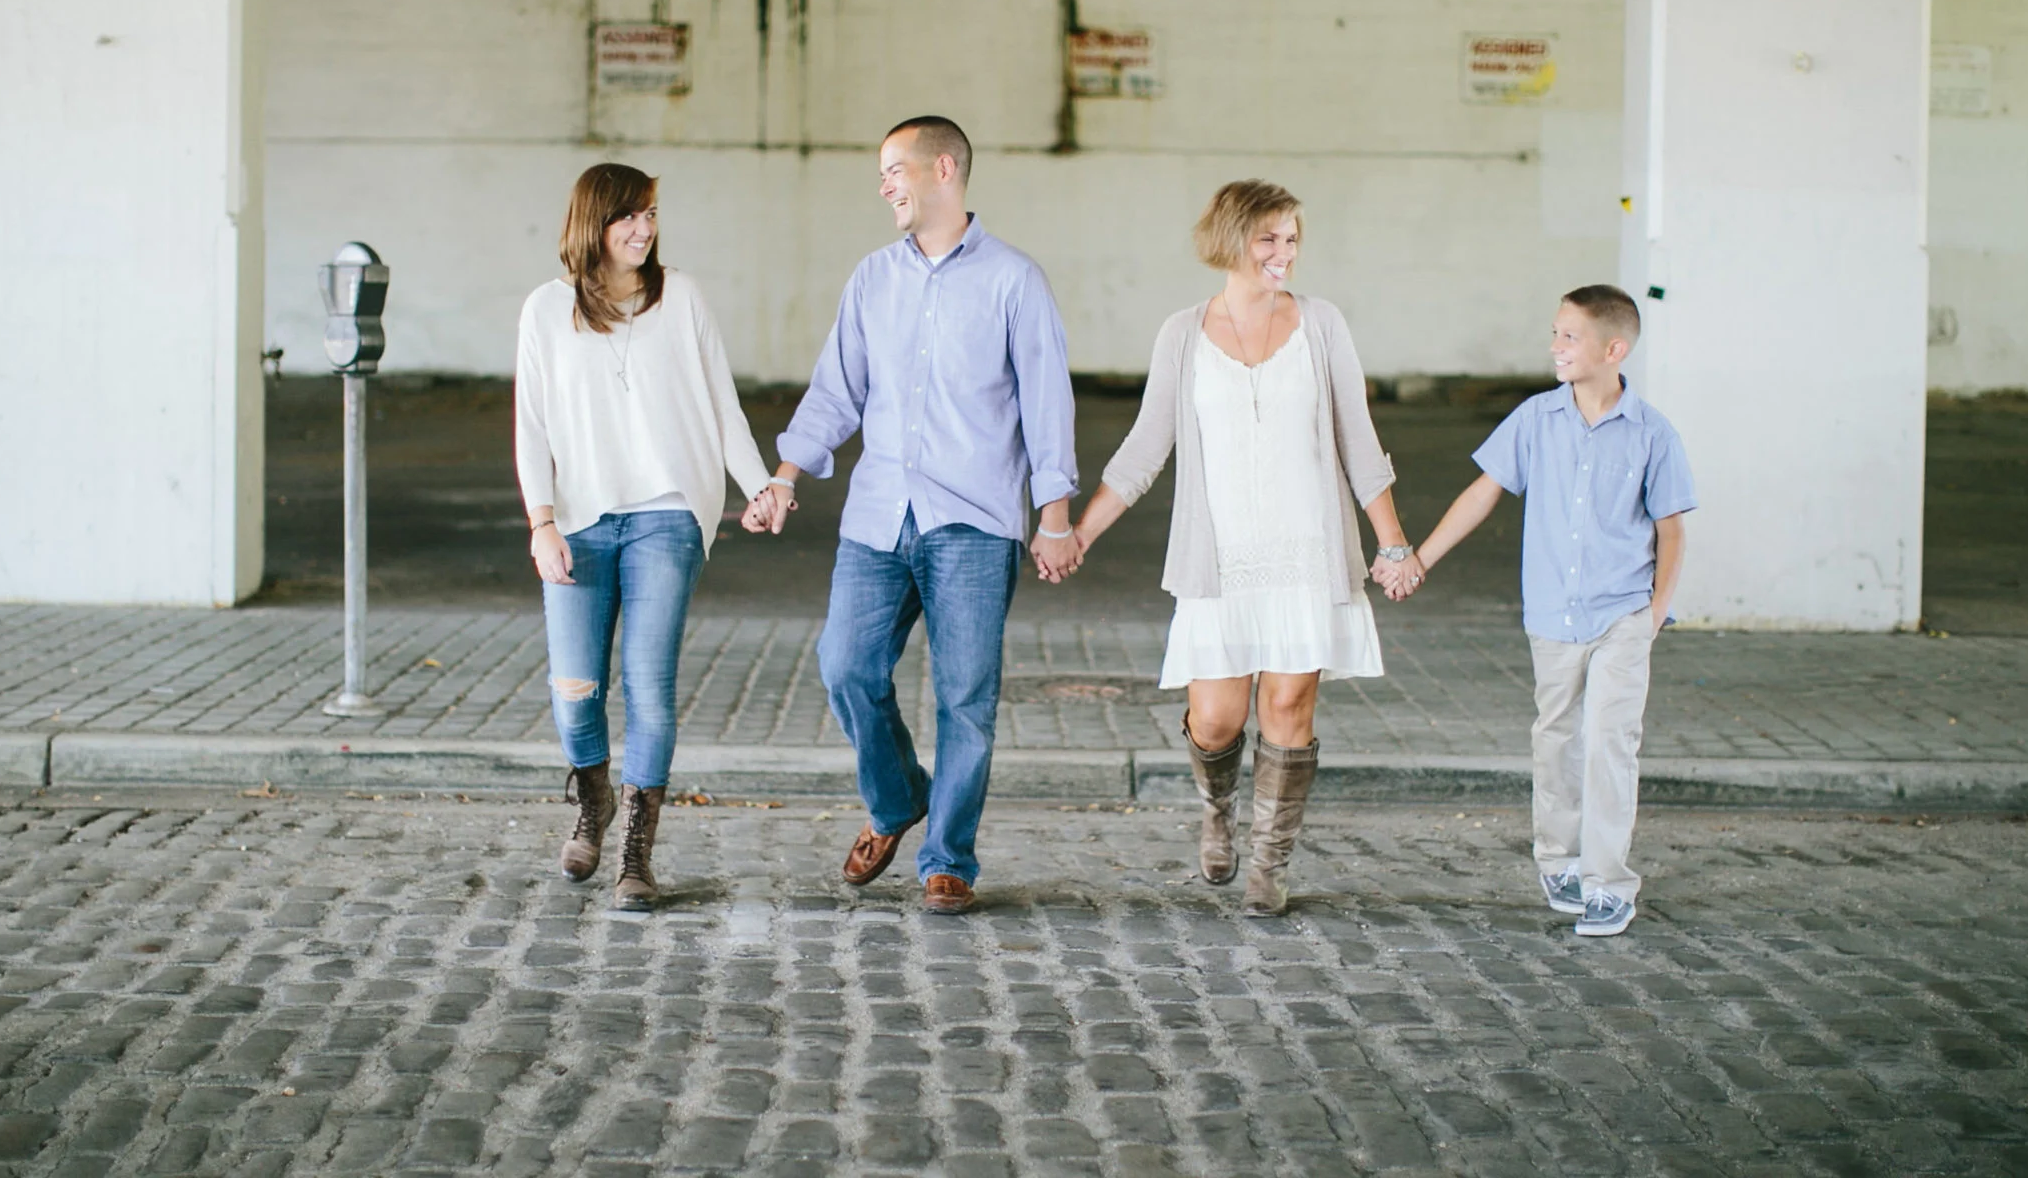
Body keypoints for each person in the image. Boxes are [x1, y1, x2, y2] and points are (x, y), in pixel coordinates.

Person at [740, 116, 1080, 916]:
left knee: (966, 699)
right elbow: (836, 392)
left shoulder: (1014, 281)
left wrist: (1055, 516)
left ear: (945, 169)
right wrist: (785, 476)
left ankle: (948, 858)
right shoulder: (872, 279)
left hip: (974, 521)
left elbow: (1047, 402)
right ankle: (898, 799)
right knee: (845, 667)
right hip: (878, 518)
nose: (884, 184)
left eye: (895, 168)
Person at [1072, 180, 1425, 918]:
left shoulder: (1323, 324)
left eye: (1291, 238)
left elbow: (1359, 441)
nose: (1283, 253)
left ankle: (1270, 860)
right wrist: (1079, 532)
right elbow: (1145, 448)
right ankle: (1218, 810)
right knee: (1217, 720)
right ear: (1231, 240)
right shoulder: (1182, 333)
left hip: (1307, 552)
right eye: (1269, 238)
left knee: (1289, 703)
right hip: (1221, 560)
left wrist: (1392, 544)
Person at [514, 162, 774, 912]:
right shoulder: (546, 310)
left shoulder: (681, 297)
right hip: (578, 519)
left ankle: (636, 852)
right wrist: (541, 522)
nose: (644, 229)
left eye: (651, 214)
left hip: (668, 512)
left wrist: (758, 485)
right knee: (575, 691)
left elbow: (722, 404)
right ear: (592, 222)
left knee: (649, 686)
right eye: (628, 216)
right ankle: (593, 800)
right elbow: (531, 426)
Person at [1408, 284, 1694, 937]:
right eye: (1555, 333)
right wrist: (1420, 558)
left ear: (1613, 350)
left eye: (1571, 336)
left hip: (1623, 613)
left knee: (1610, 743)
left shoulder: (1653, 434)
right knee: (1556, 738)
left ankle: (1609, 883)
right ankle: (1560, 860)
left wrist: (1653, 615)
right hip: (1553, 615)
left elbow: (1672, 531)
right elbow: (1482, 494)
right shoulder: (1535, 419)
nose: (1556, 346)